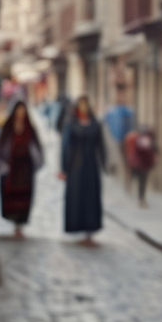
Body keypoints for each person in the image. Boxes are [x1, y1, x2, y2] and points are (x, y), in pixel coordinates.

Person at [0, 100, 43, 238]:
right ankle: (14, 223)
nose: (20, 113)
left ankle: (20, 224)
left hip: (25, 169)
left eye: (23, 111)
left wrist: (37, 161)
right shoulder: (8, 128)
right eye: (18, 110)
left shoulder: (30, 129)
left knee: (25, 197)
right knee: (11, 197)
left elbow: (37, 147)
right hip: (11, 168)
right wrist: (2, 163)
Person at [59, 95, 105, 244]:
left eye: (86, 104)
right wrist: (64, 168)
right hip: (76, 167)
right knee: (77, 197)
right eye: (81, 105)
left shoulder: (95, 124)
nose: (84, 108)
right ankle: (77, 225)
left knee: (91, 197)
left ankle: (90, 229)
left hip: (91, 166)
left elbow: (101, 145)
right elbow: (65, 146)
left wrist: (104, 163)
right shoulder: (71, 124)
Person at [123, 124, 157, 207]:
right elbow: (146, 151)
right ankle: (141, 199)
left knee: (141, 181)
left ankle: (140, 198)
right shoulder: (142, 139)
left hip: (140, 163)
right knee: (142, 181)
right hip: (141, 163)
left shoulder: (136, 138)